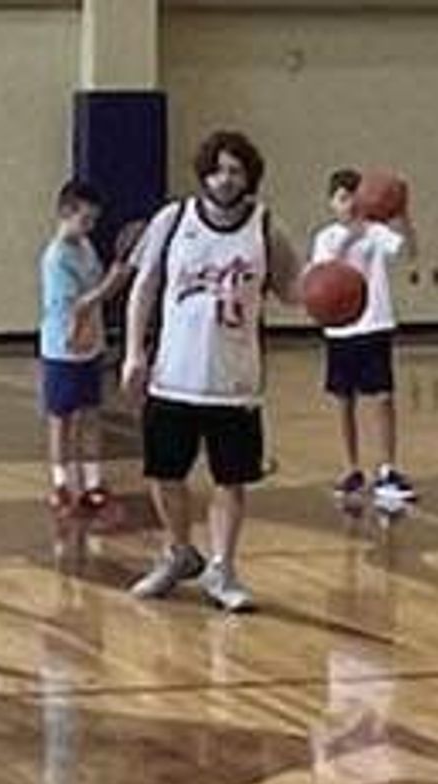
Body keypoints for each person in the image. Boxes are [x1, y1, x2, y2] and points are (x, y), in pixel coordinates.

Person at [122, 129, 309, 613]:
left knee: (231, 480)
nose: (225, 179)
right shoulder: (173, 219)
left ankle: (222, 568)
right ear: (204, 172)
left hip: (234, 381)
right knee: (165, 474)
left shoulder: (266, 227)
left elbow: (294, 291)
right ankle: (180, 553)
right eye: (219, 169)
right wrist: (134, 353)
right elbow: (145, 287)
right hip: (173, 374)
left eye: (236, 170)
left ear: (249, 177)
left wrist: (335, 280)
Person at [312, 167, 418, 506]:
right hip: (341, 327)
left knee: (383, 397)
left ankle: (387, 468)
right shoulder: (326, 237)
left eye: (354, 197)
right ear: (331, 203)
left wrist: (401, 214)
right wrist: (351, 235)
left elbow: (407, 252)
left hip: (375, 322)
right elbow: (324, 274)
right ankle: (350, 468)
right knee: (344, 400)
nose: (349, 204)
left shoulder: (376, 231)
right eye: (342, 198)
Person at [37, 179, 132, 515]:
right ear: (65, 213)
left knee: (91, 415)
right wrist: (112, 285)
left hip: (90, 345)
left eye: (93, 220)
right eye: (85, 219)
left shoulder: (86, 248)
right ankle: (61, 483)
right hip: (63, 348)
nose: (90, 226)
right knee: (61, 418)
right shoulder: (56, 258)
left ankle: (92, 482)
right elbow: (79, 304)